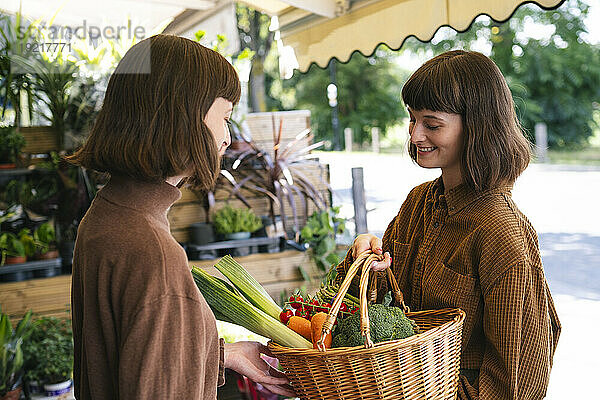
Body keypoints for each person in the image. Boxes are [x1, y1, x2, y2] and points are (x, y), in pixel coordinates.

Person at [67, 35, 294, 399]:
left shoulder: (106, 216)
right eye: (225, 117)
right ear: (183, 117)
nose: (226, 138)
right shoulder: (153, 252)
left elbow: (135, 359)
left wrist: (223, 355)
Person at [336, 50, 561, 399]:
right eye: (412, 120)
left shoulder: (501, 233)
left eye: (432, 124)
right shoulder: (418, 202)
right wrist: (364, 258)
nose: (414, 136)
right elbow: (373, 309)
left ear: (477, 126)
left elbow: (520, 380)